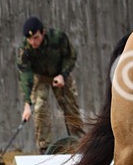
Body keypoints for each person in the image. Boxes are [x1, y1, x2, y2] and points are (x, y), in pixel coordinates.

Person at [16, 16, 85, 153]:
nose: (32, 42)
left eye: (36, 37)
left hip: (60, 74)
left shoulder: (58, 37)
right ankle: (45, 147)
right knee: (39, 108)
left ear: (43, 32)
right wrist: (27, 103)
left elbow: (71, 56)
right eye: (29, 39)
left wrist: (62, 75)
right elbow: (25, 76)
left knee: (71, 108)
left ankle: (80, 144)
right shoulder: (25, 48)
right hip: (40, 77)